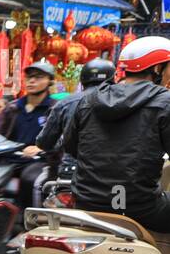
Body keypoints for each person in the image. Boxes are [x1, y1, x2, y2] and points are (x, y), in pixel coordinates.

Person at [63, 37, 170, 232]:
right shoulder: (165, 102)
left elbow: (71, 146)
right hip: (137, 207)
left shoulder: (88, 100)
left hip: (86, 203)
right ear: (157, 69)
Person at [31, 58, 115, 175]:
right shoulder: (127, 102)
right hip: (114, 173)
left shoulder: (66, 103)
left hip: (73, 172)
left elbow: (44, 142)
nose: (32, 80)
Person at [0, 60, 57, 210]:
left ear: (50, 81)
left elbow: (61, 139)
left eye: (38, 77)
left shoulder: (55, 109)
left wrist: (41, 148)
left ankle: (31, 221)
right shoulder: (13, 108)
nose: (32, 80)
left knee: (30, 179)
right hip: (9, 159)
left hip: (39, 162)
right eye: (29, 77)